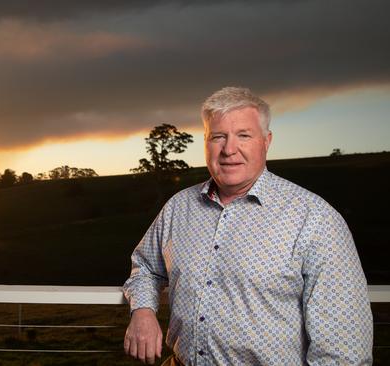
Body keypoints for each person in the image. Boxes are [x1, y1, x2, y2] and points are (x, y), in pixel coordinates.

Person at [123, 87, 373, 365]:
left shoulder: (315, 219)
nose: (229, 149)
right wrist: (143, 310)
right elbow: (145, 266)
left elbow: (344, 349)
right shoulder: (178, 208)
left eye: (244, 135)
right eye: (218, 136)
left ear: (266, 141)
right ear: (206, 142)